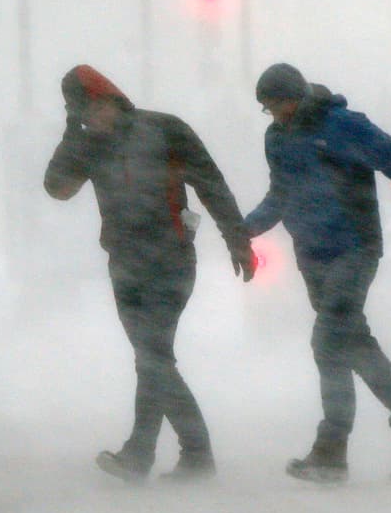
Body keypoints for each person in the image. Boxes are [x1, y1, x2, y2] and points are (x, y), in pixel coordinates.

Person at [44, 65, 256, 483]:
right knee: (152, 360)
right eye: (80, 114)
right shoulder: (88, 144)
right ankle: (191, 456)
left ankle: (144, 454)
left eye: (90, 110)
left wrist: (238, 239)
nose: (89, 120)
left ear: (109, 99)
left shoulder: (165, 130)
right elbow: (57, 187)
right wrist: (72, 132)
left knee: (153, 358)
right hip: (124, 265)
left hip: (170, 260)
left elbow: (211, 184)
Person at [244, 63, 391, 484]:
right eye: (268, 109)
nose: (275, 114)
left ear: (297, 96)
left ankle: (331, 451)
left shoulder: (341, 125)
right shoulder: (277, 138)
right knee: (350, 345)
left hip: (354, 249)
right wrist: (242, 230)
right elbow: (279, 195)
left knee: (327, 340)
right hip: (312, 255)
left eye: (278, 105)